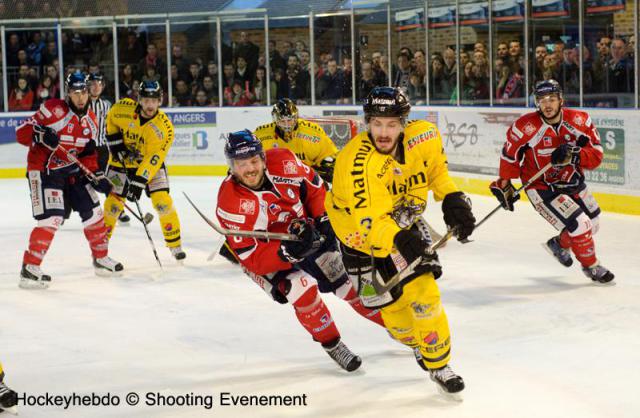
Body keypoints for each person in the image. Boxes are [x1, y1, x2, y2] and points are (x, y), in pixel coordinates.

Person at [325, 87, 476, 395]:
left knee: (425, 293)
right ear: (367, 123)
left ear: (404, 123)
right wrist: (401, 240)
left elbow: (436, 171)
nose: (383, 132)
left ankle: (439, 364)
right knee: (393, 315)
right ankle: (413, 341)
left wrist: (452, 198)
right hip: (361, 239)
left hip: (403, 224)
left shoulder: (425, 137)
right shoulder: (356, 164)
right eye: (377, 123)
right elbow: (373, 222)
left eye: (392, 124)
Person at [215, 130, 385, 372]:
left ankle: (396, 324)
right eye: (242, 164)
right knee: (300, 289)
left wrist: (324, 218)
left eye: (254, 161)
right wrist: (284, 253)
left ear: (263, 158)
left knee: (349, 284)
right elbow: (250, 258)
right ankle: (332, 343)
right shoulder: (230, 202)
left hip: (308, 233)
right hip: (267, 256)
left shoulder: (284, 161)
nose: (250, 169)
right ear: (231, 167)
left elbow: (315, 187)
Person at [490, 79, 614, 283]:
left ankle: (559, 244)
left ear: (561, 100)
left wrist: (574, 153)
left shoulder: (580, 121)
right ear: (536, 103)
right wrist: (504, 184)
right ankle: (592, 267)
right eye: (541, 100)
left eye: (552, 99)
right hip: (541, 186)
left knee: (593, 224)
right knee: (581, 224)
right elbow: (509, 156)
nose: (547, 104)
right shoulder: (525, 127)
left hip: (571, 180)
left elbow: (596, 155)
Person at [15, 71, 123, 289]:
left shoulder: (91, 121)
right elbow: (20, 133)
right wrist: (40, 134)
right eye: (76, 93)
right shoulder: (53, 109)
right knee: (52, 219)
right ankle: (29, 269)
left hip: (71, 172)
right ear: (68, 93)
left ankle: (101, 259)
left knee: (94, 212)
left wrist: (97, 176)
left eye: (83, 92)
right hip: (44, 171)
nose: (81, 97)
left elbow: (88, 155)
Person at [103, 80, 186, 262]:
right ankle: (100, 247)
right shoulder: (123, 109)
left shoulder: (164, 128)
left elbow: (153, 159)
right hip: (121, 162)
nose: (150, 105)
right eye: (146, 100)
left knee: (162, 201)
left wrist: (139, 183)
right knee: (113, 204)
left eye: (154, 100)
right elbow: (111, 118)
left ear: (160, 101)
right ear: (139, 100)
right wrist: (116, 142)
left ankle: (175, 245)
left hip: (149, 166)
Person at [254, 98, 338, 184]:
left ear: (295, 117)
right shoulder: (261, 135)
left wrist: (324, 169)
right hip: (275, 182)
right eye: (282, 121)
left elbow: (331, 158)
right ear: (276, 120)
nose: (287, 125)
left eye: (289, 120)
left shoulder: (313, 133)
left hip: (307, 181)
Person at [88, 72, 131, 225]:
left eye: (99, 84)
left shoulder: (106, 105)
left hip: (103, 149)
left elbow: (113, 125)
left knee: (110, 180)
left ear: (103, 86)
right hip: (85, 150)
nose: (95, 87)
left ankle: (117, 210)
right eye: (92, 84)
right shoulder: (81, 104)